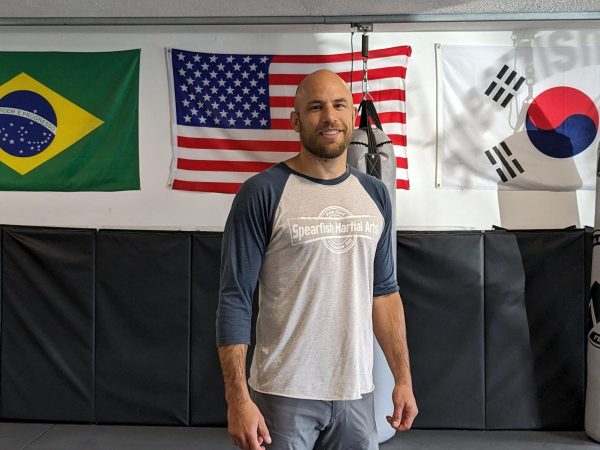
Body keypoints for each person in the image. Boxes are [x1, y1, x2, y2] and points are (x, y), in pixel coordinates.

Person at [216, 69, 418, 450]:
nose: (329, 116)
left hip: (356, 392)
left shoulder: (374, 193)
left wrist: (402, 380)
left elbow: (385, 293)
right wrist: (238, 400)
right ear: (296, 120)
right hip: (284, 392)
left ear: (351, 114)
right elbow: (235, 298)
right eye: (315, 107)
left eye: (339, 105)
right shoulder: (262, 192)